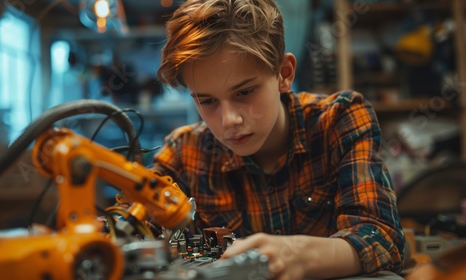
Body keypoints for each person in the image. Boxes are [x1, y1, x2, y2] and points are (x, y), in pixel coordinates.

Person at [153, 0, 405, 279]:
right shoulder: (183, 153)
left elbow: (381, 237)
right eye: (208, 101)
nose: (229, 121)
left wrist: (297, 254)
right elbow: (149, 240)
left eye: (244, 92)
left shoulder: (338, 120)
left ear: (284, 74)